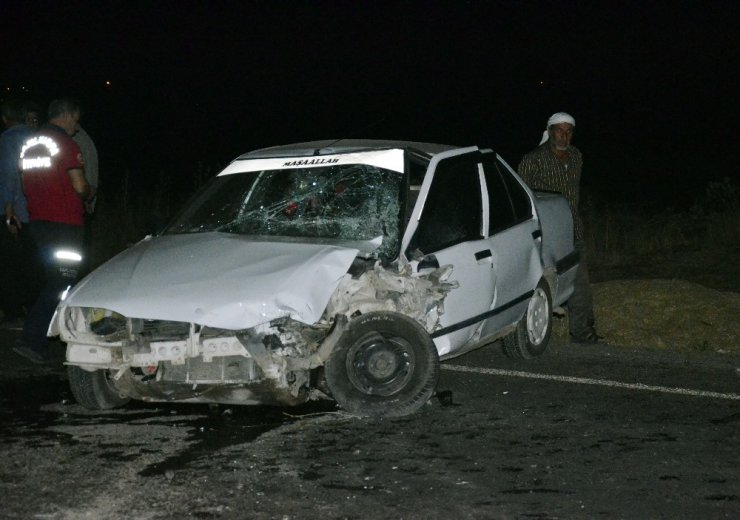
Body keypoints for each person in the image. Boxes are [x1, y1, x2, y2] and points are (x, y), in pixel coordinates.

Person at [13, 98, 94, 364]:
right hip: (65, 224)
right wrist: (89, 192)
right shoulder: (67, 145)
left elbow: (25, 187)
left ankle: (48, 338)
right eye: (76, 119)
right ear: (68, 115)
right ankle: (34, 340)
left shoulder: (29, 145)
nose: (77, 126)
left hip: (38, 222)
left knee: (53, 279)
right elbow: (80, 186)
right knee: (63, 282)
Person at [518, 112, 603, 344]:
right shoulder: (533, 159)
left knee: (580, 283)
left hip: (573, 231)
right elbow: (522, 198)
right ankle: (526, 332)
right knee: (538, 283)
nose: (564, 136)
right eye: (559, 130)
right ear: (550, 131)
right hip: (547, 234)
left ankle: (583, 334)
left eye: (568, 131)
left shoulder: (576, 156)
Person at [0, 99, 39, 328]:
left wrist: (8, 213)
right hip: (35, 209)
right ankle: (31, 307)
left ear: (5, 119)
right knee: (30, 262)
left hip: (14, 210)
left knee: (9, 263)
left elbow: (8, 176)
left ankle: (13, 313)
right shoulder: (36, 138)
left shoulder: (7, 140)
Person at [73, 124, 99, 273]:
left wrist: (88, 198)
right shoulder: (84, 137)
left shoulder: (76, 139)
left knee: (78, 253)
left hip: (81, 203)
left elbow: (84, 178)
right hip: (85, 202)